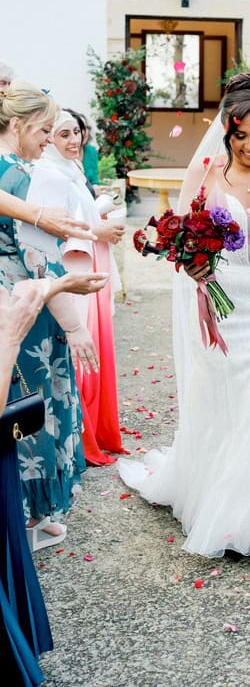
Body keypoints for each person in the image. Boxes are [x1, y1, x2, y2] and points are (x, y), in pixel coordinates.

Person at [120, 73, 250, 566]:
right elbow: (182, 240)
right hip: (222, 304)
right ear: (226, 130)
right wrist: (195, 267)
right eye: (240, 135)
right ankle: (230, 510)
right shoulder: (206, 173)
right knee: (230, 405)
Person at [0, 83, 99, 551]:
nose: (48, 141)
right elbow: (41, 260)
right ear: (18, 125)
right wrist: (75, 326)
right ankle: (30, 517)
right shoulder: (23, 176)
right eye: (43, 131)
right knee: (33, 407)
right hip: (29, 311)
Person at [1, 273, 108, 686]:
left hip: (25, 311)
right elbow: (35, 262)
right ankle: (33, 514)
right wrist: (12, 336)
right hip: (19, 327)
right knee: (27, 419)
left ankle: (31, 514)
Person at [27, 111, 126, 466]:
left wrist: (98, 222)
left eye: (77, 133)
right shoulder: (47, 174)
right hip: (73, 267)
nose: (74, 141)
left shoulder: (73, 170)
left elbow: (76, 214)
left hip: (91, 261)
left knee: (95, 346)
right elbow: (51, 227)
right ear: (48, 138)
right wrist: (97, 231)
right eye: (63, 134)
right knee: (80, 351)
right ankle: (81, 437)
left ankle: (95, 428)